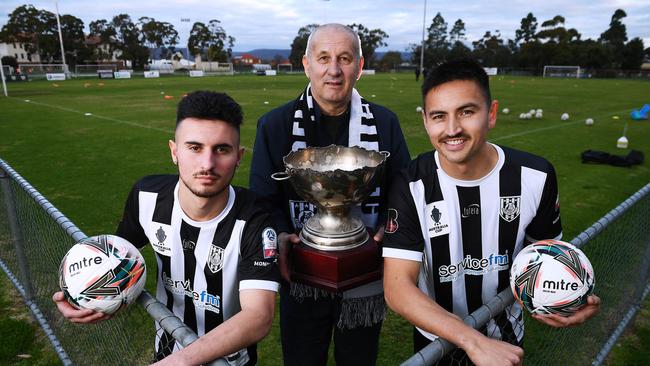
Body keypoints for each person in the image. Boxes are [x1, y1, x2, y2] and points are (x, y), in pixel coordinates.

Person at [382, 59, 600, 366]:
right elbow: (396, 288)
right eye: (439, 116)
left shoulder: (535, 176)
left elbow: (546, 261)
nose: (453, 128)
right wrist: (473, 341)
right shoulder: (411, 184)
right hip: (435, 341)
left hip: (506, 340)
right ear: (426, 122)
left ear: (492, 114)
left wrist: (570, 299)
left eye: (466, 112)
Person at [53, 91, 280, 366]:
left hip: (227, 361)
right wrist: (83, 295)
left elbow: (258, 317)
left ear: (239, 156)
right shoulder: (145, 196)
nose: (207, 164)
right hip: (166, 350)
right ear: (174, 151)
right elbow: (114, 258)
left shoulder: (255, 218)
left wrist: (182, 361)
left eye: (221, 149)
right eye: (194, 148)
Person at [249, 24, 410, 366]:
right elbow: (262, 200)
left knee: (359, 359)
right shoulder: (275, 125)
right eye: (324, 58)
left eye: (344, 58)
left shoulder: (384, 123)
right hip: (303, 272)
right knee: (303, 358)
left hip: (364, 272)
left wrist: (384, 228)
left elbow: (402, 192)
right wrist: (279, 234)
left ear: (359, 65)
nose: (334, 70)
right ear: (307, 64)